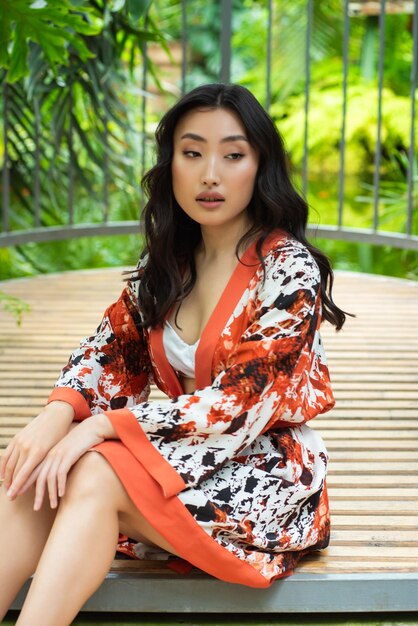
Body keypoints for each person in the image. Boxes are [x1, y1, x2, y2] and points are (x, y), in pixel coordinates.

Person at [0, 83, 346, 625]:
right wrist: (56, 416)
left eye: (233, 155)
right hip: (182, 459)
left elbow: (237, 403)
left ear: (260, 167)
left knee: (90, 468)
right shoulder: (171, 264)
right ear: (172, 166)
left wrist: (101, 427)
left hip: (263, 477)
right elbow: (108, 351)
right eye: (192, 152)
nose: (211, 173)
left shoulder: (288, 271)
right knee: (37, 468)